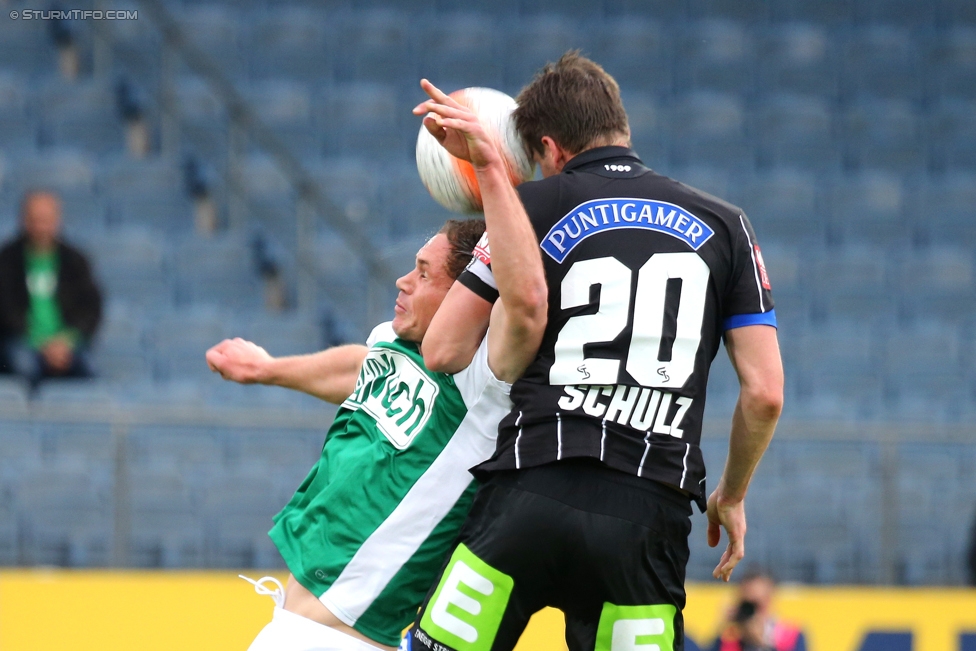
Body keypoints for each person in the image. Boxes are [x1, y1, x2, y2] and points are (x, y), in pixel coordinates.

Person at [409, 52, 784, 651]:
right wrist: (731, 495)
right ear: (619, 124)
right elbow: (764, 395)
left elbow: (445, 348)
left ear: (551, 149)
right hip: (647, 514)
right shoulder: (728, 225)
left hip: (531, 490)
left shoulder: (530, 206)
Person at [205, 190, 546, 647]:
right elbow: (362, 366)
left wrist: (494, 173)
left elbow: (521, 303)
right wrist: (267, 369)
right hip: (296, 625)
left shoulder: (482, 381)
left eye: (424, 273)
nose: (403, 282)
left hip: (347, 638)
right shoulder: (395, 341)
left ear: (467, 297)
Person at [0, 190, 101, 387]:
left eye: (46, 220)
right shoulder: (7, 260)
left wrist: (65, 341)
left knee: (90, 370)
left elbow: (90, 308)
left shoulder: (75, 261)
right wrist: (42, 342)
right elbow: (5, 310)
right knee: (24, 367)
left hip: (67, 343)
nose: (41, 227)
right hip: (22, 340)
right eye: (35, 219)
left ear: (57, 220)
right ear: (24, 220)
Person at [707, 567, 806, 651]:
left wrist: (761, 644)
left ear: (769, 599)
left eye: (757, 604)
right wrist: (722, 625)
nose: (753, 612)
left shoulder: (791, 636)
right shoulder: (727, 638)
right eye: (748, 606)